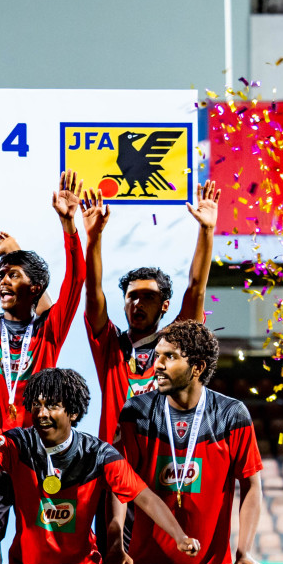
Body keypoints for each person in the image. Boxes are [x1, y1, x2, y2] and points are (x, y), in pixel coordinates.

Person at [0, 165, 86, 564]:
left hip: (35, 458)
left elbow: (75, 283)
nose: (3, 281)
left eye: (13, 274)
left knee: (33, 556)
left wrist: (68, 225)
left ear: (36, 287)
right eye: (0, 275)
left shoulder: (50, 329)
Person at [0, 367, 198, 564]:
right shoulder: (18, 443)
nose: (41, 413)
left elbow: (146, 498)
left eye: (52, 406)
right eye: (36, 405)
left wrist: (179, 536)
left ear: (73, 412)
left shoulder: (99, 454)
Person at [114, 320, 264, 564]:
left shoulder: (231, 414)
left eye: (169, 357)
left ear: (198, 368)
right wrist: (116, 546)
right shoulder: (136, 412)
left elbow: (252, 485)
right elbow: (119, 484)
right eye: (157, 355)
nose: (157, 364)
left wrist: (244, 551)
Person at [83, 182, 219, 444]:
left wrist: (206, 229)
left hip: (164, 460)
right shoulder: (110, 344)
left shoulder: (177, 341)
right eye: (132, 296)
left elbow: (195, 291)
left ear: (164, 305)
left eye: (148, 297)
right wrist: (94, 238)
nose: (138, 303)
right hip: (116, 465)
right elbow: (92, 292)